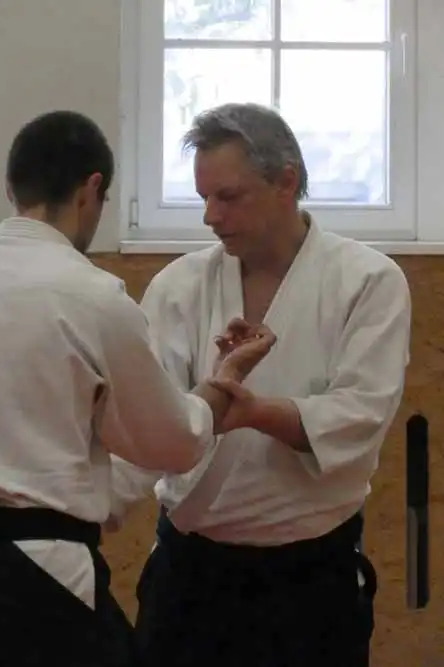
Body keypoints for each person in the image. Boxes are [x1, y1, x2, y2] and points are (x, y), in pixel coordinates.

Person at [0, 110, 276, 667]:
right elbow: (168, 444)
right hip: (41, 573)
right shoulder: (94, 297)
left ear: (10, 187)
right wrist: (222, 384)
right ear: (92, 187)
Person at [110, 103, 412, 667]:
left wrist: (247, 410)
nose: (210, 216)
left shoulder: (368, 281)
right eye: (203, 198)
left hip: (310, 579)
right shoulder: (179, 286)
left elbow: (361, 415)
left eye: (227, 197)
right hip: (190, 574)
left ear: (286, 182)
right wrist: (92, 503)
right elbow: (149, 423)